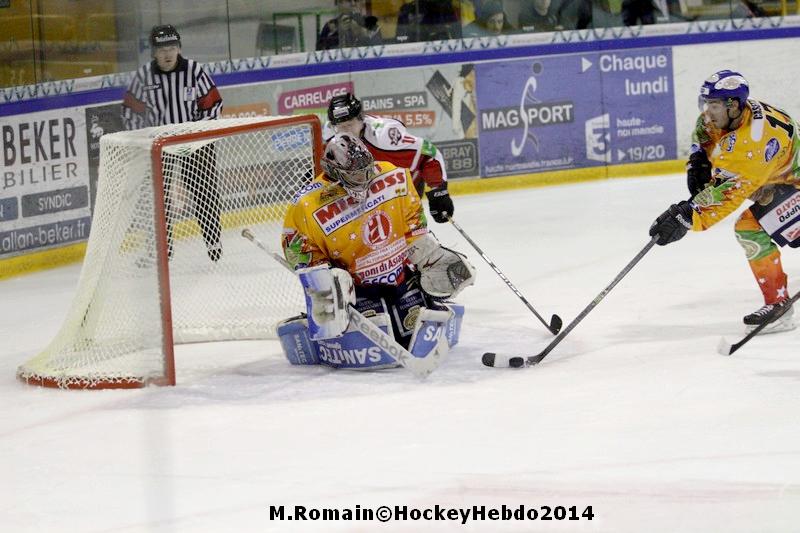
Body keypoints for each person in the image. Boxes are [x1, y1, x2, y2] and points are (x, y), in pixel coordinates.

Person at [277, 133, 475, 371]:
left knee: (411, 328)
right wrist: (327, 279)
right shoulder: (307, 204)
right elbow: (297, 247)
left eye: (367, 170)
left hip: (399, 278)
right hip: (356, 290)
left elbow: (412, 220)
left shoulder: (393, 175)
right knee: (371, 338)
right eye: (356, 175)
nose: (365, 178)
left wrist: (427, 255)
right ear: (335, 172)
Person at [649, 70, 799, 333]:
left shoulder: (752, 143)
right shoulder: (732, 116)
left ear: (734, 105)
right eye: (707, 103)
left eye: (714, 105)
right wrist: (698, 160)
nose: (708, 111)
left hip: (790, 184)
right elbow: (704, 132)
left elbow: (727, 196)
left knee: (749, 227)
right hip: (781, 179)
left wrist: (689, 217)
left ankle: (779, 307)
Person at [121, 24, 224, 263]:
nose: (167, 53)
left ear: (179, 49)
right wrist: (146, 137)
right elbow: (130, 113)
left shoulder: (194, 71)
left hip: (194, 143)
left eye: (172, 47)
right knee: (157, 197)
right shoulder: (143, 76)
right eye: (162, 49)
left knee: (204, 190)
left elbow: (214, 106)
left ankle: (213, 243)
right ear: (153, 52)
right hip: (160, 146)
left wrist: (197, 133)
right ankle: (162, 249)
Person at [325, 92, 455, 223]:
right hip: (372, 190)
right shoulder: (331, 139)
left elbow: (428, 153)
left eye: (350, 124)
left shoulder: (384, 135)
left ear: (361, 119)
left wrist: (438, 190)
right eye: (341, 126)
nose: (346, 131)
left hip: (404, 188)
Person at [316, 0, 383, 50]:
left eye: (356, 0)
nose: (353, 4)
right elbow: (319, 52)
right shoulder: (331, 26)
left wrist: (361, 32)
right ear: (340, 3)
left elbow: (379, 51)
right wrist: (339, 33)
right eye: (348, 0)